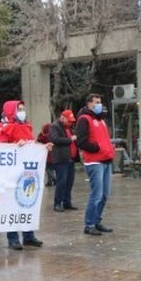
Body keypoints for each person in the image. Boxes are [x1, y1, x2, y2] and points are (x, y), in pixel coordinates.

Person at [0, 100, 46, 249]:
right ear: (11, 112)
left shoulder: (26, 126)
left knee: (27, 203)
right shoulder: (6, 128)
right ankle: (12, 238)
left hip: (26, 173)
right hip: (12, 174)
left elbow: (31, 145)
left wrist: (43, 148)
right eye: (19, 109)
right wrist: (14, 147)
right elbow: (0, 150)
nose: (22, 112)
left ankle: (28, 236)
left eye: (23, 109)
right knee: (12, 206)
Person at [75, 93, 115, 236]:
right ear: (89, 104)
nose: (99, 105)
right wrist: (97, 148)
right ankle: (89, 224)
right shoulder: (84, 119)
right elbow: (81, 142)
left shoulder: (100, 120)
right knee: (96, 195)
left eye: (100, 102)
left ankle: (96, 220)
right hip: (94, 161)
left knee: (104, 195)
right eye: (96, 102)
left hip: (105, 160)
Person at [49, 109, 79, 212]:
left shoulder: (69, 128)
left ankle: (67, 202)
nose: (71, 123)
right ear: (62, 118)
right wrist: (70, 139)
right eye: (69, 121)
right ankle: (57, 203)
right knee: (61, 181)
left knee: (69, 182)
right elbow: (55, 139)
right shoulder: (54, 126)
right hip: (61, 159)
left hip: (70, 158)